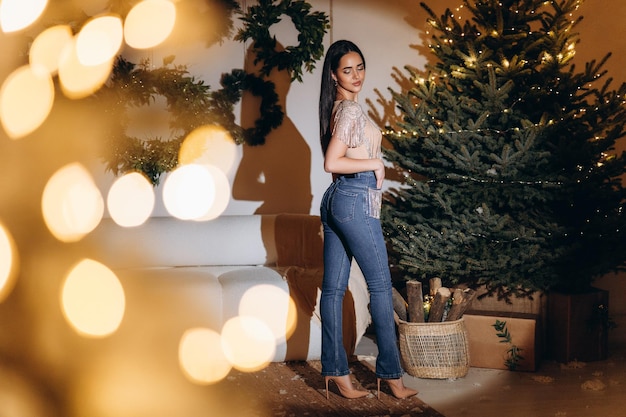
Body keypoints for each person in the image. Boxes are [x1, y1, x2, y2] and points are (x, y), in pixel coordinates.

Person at [318, 39, 418, 400]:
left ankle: (336, 374)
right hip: (354, 198)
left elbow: (336, 167)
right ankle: (391, 376)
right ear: (334, 75)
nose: (356, 75)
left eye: (360, 67)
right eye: (347, 70)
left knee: (332, 289)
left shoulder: (340, 108)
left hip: (338, 199)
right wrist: (375, 163)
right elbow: (332, 162)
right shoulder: (349, 112)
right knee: (379, 286)